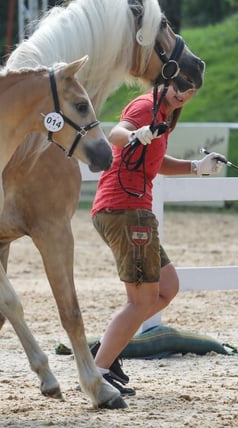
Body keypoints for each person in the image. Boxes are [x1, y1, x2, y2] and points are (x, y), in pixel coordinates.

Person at [90, 84, 225, 396]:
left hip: (131, 211)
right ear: (165, 81)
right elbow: (116, 135)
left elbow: (156, 159)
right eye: (180, 86)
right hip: (126, 210)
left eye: (191, 90)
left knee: (167, 287)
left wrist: (195, 168)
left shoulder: (163, 112)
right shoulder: (144, 107)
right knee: (141, 301)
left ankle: (107, 349)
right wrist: (136, 135)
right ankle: (98, 373)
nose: (184, 94)